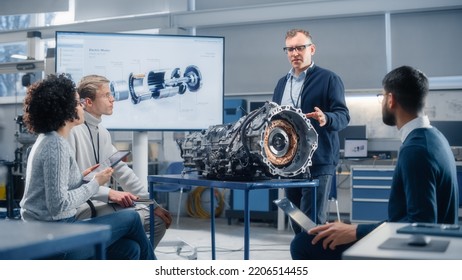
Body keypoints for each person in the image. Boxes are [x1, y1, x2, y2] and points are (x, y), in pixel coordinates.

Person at [290, 65, 459, 260]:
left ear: (391, 99)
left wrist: (356, 231)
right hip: (434, 246)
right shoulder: (435, 138)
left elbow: (420, 226)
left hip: (416, 252)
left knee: (304, 244)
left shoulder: (416, 150)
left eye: (382, 96)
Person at [19, 73, 155, 260]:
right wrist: (95, 183)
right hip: (54, 237)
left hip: (56, 230)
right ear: (64, 110)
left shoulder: (51, 140)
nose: (81, 106)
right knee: (131, 218)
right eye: (76, 103)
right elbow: (58, 205)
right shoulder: (55, 145)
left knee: (130, 248)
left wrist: (82, 177)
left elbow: (57, 188)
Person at [67, 74, 172, 248]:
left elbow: (122, 171)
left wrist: (152, 204)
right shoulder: (72, 131)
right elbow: (72, 182)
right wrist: (110, 194)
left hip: (98, 203)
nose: (113, 99)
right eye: (106, 95)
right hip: (79, 210)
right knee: (149, 222)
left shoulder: (102, 132)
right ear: (88, 102)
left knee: (155, 219)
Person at [272, 28, 350, 230]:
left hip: (318, 162)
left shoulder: (329, 79)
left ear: (312, 49)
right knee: (297, 222)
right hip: (289, 164)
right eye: (289, 49)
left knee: (313, 225)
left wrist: (327, 117)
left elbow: (343, 115)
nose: (294, 53)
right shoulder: (282, 83)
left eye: (300, 47)